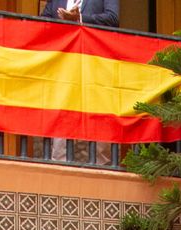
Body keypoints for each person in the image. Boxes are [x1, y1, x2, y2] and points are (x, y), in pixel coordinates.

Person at [39, 0, 120, 164]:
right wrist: (62, 22)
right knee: (62, 109)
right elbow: (43, 21)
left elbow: (113, 18)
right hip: (64, 60)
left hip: (95, 60)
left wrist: (80, 18)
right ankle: (59, 163)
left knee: (98, 109)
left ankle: (101, 166)